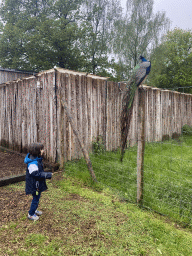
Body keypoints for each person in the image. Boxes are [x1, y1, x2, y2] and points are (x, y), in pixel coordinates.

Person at [24, 142, 53, 221]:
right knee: (36, 199)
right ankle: (31, 214)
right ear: (37, 151)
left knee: (36, 198)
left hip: (37, 184)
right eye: (42, 149)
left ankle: (34, 210)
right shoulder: (32, 163)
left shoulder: (37, 158)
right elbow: (36, 174)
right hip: (34, 185)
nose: (43, 151)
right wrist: (47, 175)